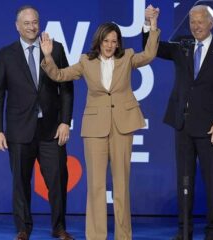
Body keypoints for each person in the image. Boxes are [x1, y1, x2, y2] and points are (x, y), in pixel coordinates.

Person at [40, 7, 160, 239]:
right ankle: (96, 235)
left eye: (114, 41)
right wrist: (47, 56)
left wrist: (152, 26)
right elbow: (60, 75)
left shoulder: (127, 57)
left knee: (121, 184)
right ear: (99, 41)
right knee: (95, 185)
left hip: (122, 126)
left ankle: (123, 235)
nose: (110, 45)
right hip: (95, 128)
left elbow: (149, 55)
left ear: (118, 43)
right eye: (106, 40)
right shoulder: (86, 61)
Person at [144, 5, 213, 240]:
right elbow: (153, 49)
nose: (195, 26)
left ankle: (212, 232)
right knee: (184, 182)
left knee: (212, 183)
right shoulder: (183, 45)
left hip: (210, 128)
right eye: (192, 22)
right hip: (183, 125)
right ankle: (184, 231)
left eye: (200, 21)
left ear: (210, 23)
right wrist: (151, 24)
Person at [0, 5, 74, 240]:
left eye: (35, 22)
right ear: (17, 26)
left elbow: (67, 89)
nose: (31, 26)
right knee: (20, 183)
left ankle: (59, 227)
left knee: (58, 181)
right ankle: (23, 229)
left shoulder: (54, 50)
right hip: (19, 130)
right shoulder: (6, 54)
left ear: (39, 23)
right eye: (26, 23)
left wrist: (65, 122)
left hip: (51, 130)